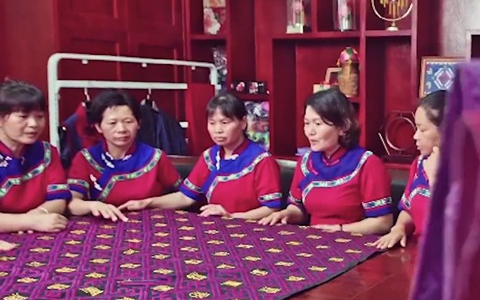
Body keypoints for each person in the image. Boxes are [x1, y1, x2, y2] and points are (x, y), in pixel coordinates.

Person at [120, 92, 282, 219]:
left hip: (250, 232)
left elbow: (271, 208)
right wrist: (148, 202)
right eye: (212, 123)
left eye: (225, 123)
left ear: (243, 123)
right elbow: (186, 197)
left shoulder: (261, 160)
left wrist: (232, 217)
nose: (218, 130)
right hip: (215, 229)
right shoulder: (209, 156)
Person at [260, 88, 393, 234]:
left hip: (353, 239)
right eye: (307, 123)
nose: (310, 132)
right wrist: (286, 214)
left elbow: (383, 222)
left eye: (318, 124)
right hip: (314, 238)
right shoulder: (306, 162)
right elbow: (299, 209)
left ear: (343, 127)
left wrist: (340, 229)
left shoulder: (367, 164)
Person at [67, 90, 181, 222]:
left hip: (152, 226)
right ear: (98, 127)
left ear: (139, 123)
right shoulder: (85, 158)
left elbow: (184, 196)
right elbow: (72, 204)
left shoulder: (155, 157)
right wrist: (93, 206)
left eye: (128, 121)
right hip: (101, 227)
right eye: (112, 123)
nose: (121, 129)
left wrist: (150, 203)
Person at [0, 80, 71, 249]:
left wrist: (39, 214)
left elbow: (58, 199)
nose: (33, 124)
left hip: (37, 235)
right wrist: (30, 221)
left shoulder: (47, 152)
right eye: (23, 117)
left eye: (39, 116)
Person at [372, 90, 446, 250]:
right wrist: (399, 227)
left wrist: (435, 178)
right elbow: (409, 209)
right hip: (417, 252)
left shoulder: (472, 172)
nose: (415, 136)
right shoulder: (419, 163)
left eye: (422, 129)